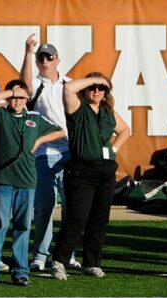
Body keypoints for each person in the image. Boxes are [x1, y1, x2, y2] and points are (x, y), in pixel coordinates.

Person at [0, 80, 64, 287]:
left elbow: (60, 131)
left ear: (27, 99)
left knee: (23, 227)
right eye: (14, 98)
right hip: (3, 180)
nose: (17, 101)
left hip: (26, 180)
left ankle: (20, 272)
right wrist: (10, 92)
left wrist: (39, 141)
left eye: (21, 97)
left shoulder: (34, 118)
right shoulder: (1, 115)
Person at [51, 73, 129, 280]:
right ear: (85, 90)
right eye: (93, 87)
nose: (96, 91)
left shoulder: (107, 111)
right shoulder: (77, 108)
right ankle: (59, 261)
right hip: (81, 172)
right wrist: (97, 80)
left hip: (106, 171)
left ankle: (91, 263)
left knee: (99, 219)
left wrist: (114, 149)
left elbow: (125, 130)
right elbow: (68, 88)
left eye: (101, 88)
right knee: (77, 218)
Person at [19, 35, 72, 272]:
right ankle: (40, 254)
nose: (45, 62)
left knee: (72, 207)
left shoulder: (69, 84)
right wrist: (28, 53)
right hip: (44, 153)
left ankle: (67, 253)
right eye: (41, 58)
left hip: (70, 152)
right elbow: (24, 87)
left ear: (57, 60)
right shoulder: (35, 84)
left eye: (49, 57)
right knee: (44, 206)